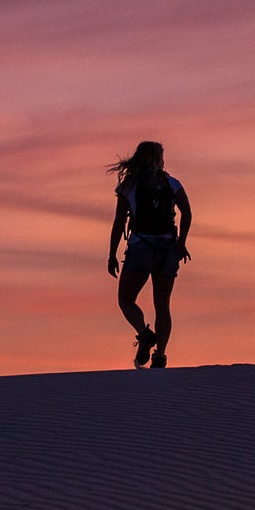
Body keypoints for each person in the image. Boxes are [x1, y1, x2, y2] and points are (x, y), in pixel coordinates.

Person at [107, 140, 192, 368]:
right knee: (162, 305)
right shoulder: (172, 184)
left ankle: (144, 334)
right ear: (159, 159)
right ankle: (161, 355)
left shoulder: (129, 186)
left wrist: (112, 254)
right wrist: (181, 242)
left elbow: (119, 223)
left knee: (125, 299)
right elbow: (187, 212)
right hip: (167, 248)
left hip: (140, 247)